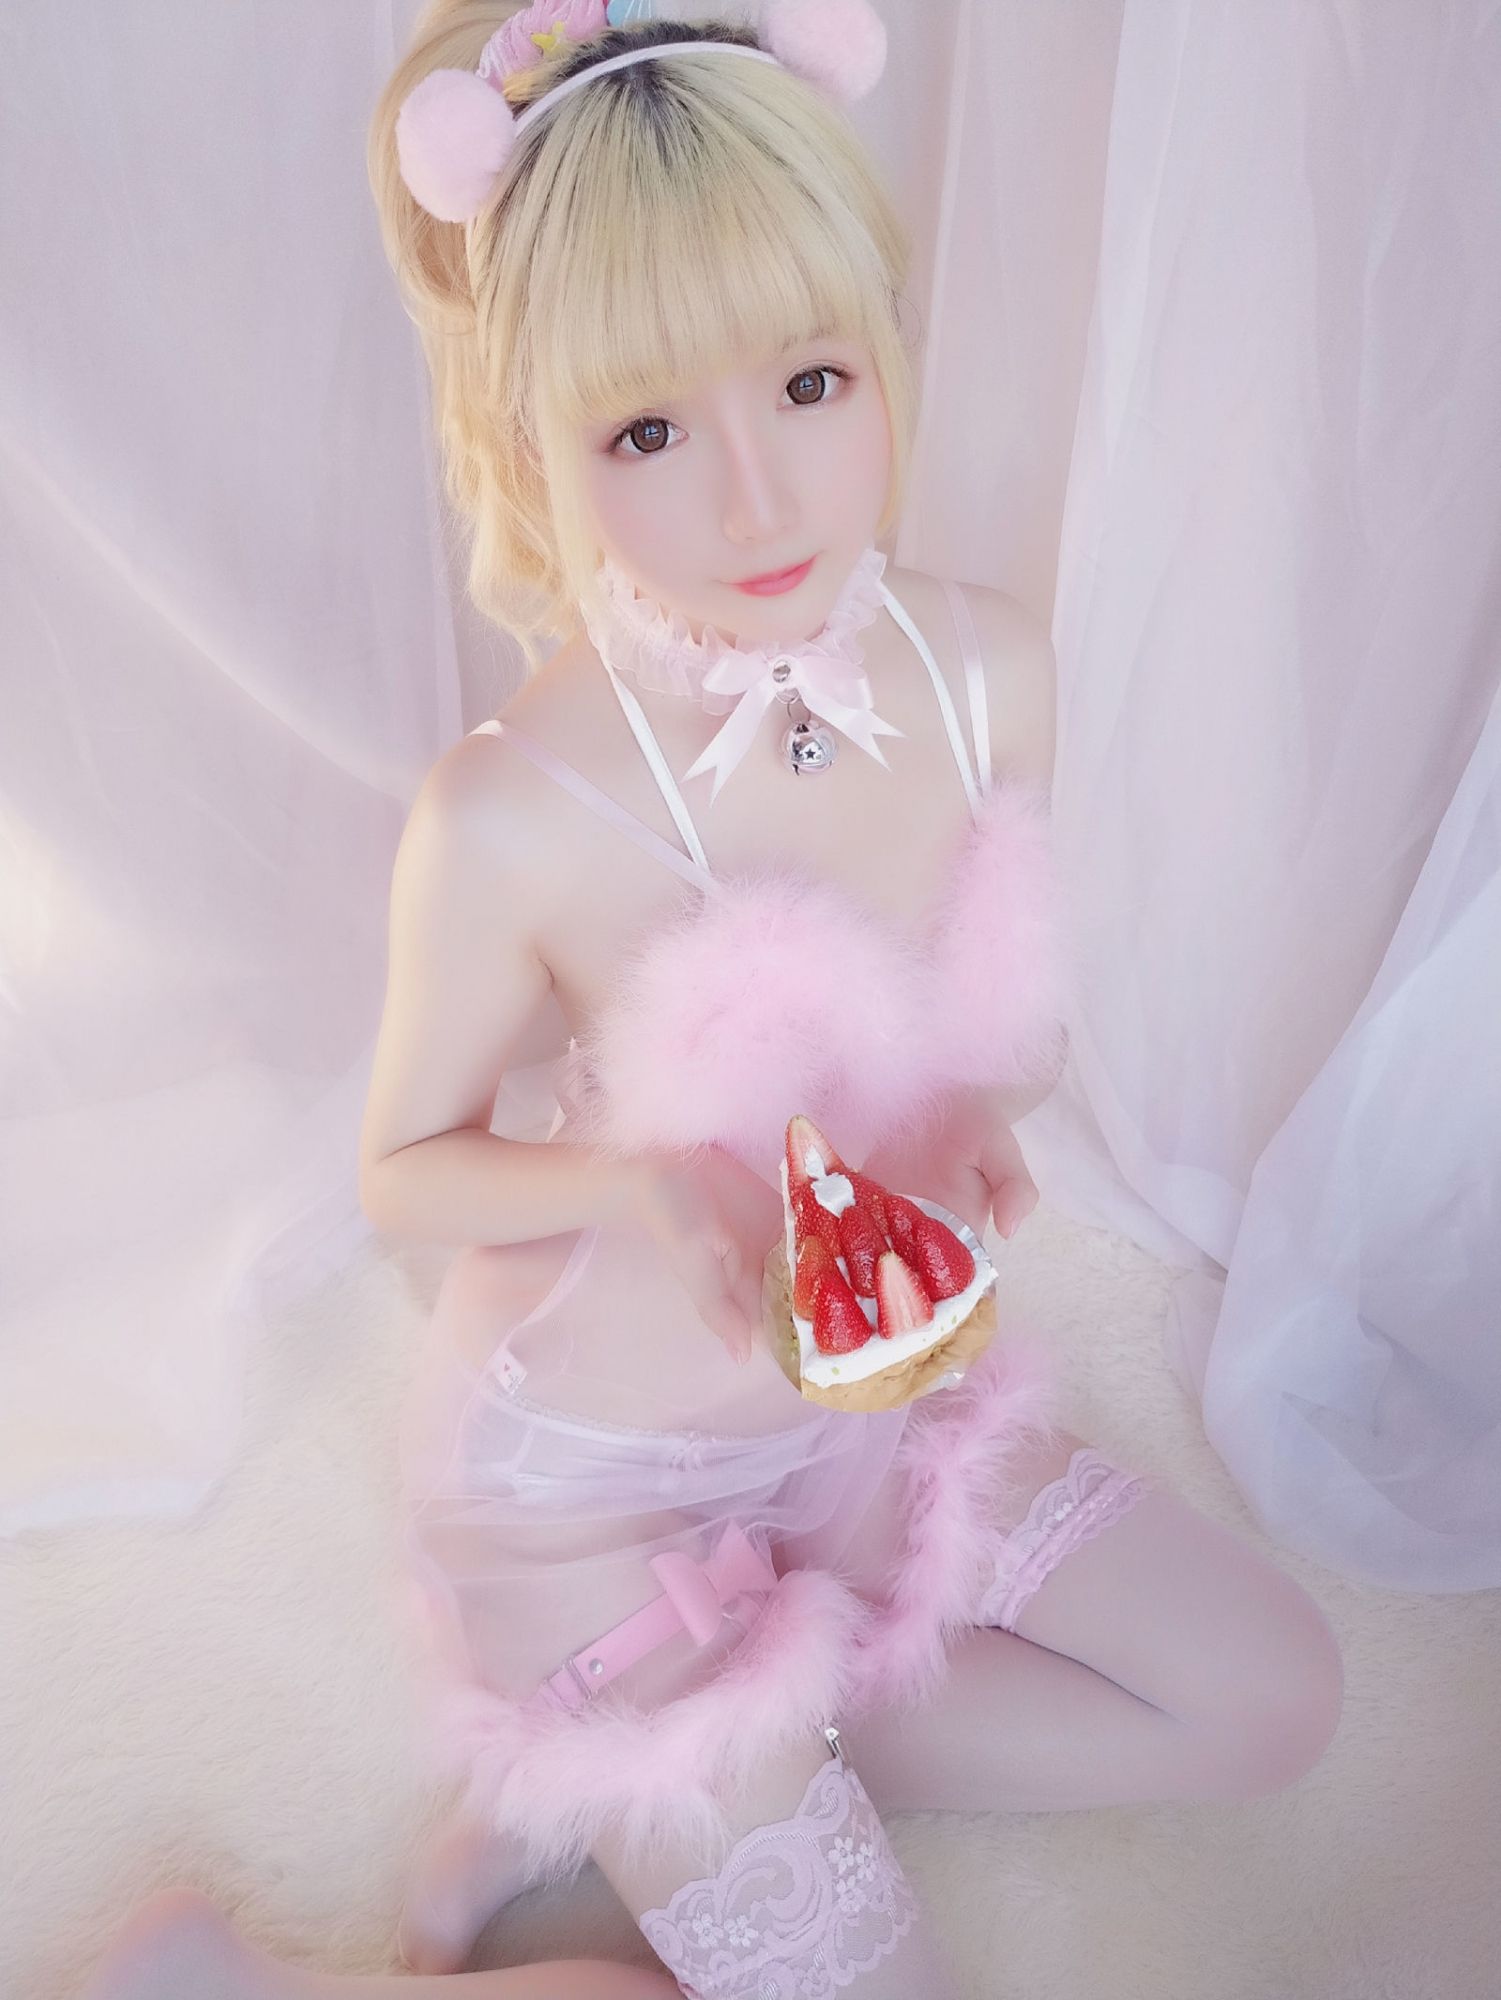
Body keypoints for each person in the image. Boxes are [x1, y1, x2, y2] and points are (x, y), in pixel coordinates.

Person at [77, 4, 1345, 1997]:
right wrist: (636, 1177)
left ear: (883, 349)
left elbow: (997, 1015)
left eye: (810, 381)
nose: (757, 501)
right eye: (648, 432)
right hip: (585, 1505)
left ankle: (667, 1783)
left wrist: (973, 1119)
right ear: (538, 444)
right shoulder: (512, 811)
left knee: (1273, 1698)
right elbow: (405, 1170)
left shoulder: (984, 676)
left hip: (861, 1419)